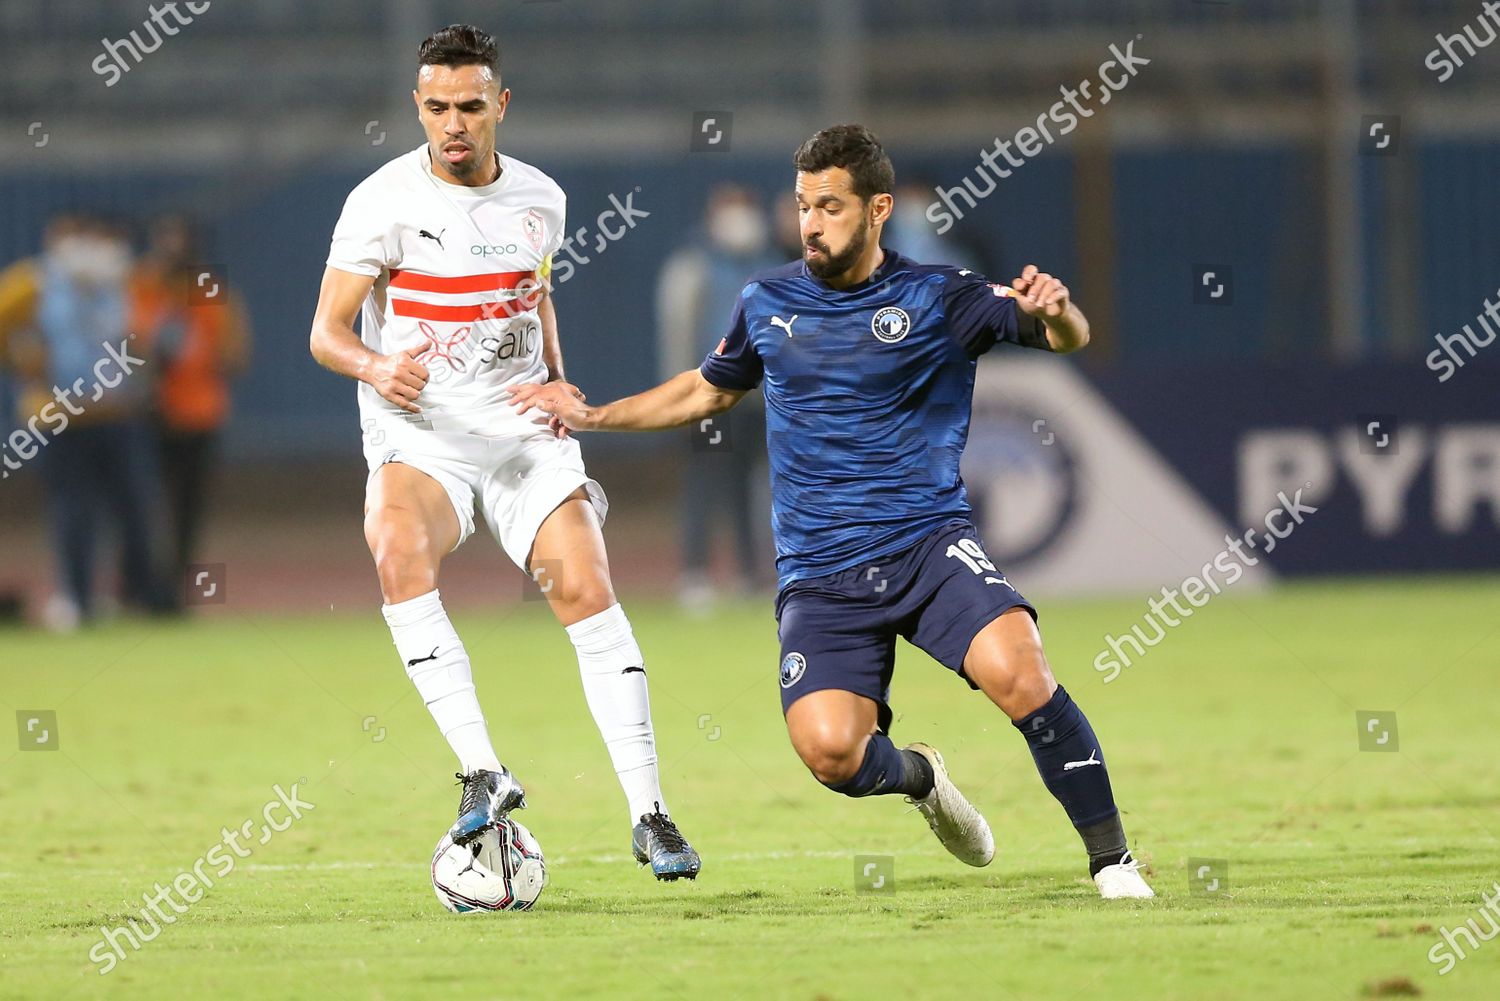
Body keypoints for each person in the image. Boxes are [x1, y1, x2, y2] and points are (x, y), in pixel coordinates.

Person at [510, 124, 1154, 898]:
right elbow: (706, 388)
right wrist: (594, 414)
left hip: (927, 547)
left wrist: (1058, 312)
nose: (810, 223)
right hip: (821, 575)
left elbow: (1065, 336)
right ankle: (920, 776)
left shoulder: (938, 296)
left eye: (830, 206)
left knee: (1021, 671)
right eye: (803, 205)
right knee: (831, 754)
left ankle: (1112, 860)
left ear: (879, 209)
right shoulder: (767, 299)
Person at [308, 24, 700, 879]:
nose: (454, 122)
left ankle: (651, 814)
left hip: (522, 431)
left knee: (586, 587)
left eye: (471, 106)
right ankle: (483, 768)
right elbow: (326, 335)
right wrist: (376, 363)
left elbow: (534, 295)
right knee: (396, 545)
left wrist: (561, 381)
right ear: (418, 106)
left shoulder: (541, 199)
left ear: (500, 107)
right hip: (423, 436)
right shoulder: (380, 201)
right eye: (438, 106)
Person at [0, 213, 174, 629]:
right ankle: (77, 598)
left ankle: (142, 596)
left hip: (119, 411)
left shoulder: (127, 281)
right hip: (61, 415)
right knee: (74, 511)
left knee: (134, 507)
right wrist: (25, 364)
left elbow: (151, 336)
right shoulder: (32, 281)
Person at [654, 184, 777, 607]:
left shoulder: (769, 265)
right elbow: (679, 336)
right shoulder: (693, 267)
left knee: (749, 488)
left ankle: (748, 573)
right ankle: (696, 574)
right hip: (708, 396)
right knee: (705, 483)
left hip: (756, 400)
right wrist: (680, 400)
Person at [131, 215, 251, 587]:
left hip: (198, 414)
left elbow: (233, 354)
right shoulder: (141, 285)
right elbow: (128, 342)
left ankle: (174, 589)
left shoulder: (210, 291)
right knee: (137, 503)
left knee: (187, 507)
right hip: (146, 414)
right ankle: (135, 583)